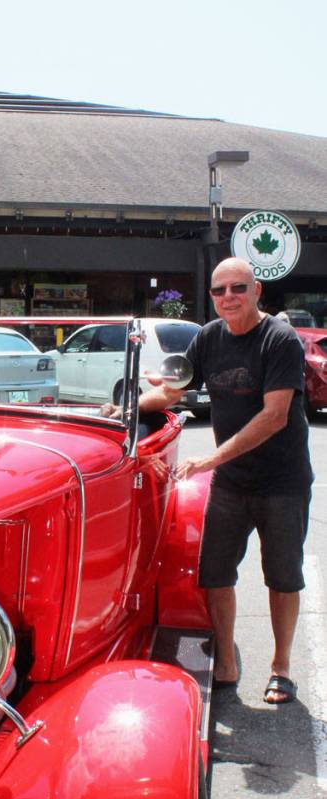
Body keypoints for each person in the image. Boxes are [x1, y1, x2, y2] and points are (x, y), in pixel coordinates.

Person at [139, 258, 313, 704]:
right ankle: (229, 667)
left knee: (282, 577)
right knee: (215, 574)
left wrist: (208, 460)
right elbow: (171, 392)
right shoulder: (209, 338)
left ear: (257, 290)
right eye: (219, 291)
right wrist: (120, 411)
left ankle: (281, 668)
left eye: (238, 287)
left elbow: (274, 416)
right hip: (232, 483)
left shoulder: (280, 339)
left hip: (282, 481)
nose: (228, 297)